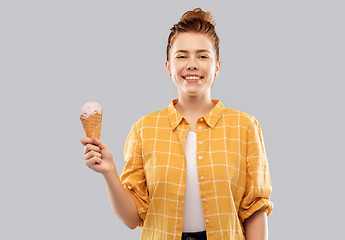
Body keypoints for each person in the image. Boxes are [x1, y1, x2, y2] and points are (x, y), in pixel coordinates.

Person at [80, 7, 273, 240]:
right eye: (182, 56)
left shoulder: (245, 126)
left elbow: (254, 210)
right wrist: (109, 171)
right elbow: (132, 218)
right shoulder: (144, 129)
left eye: (203, 56)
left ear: (217, 66)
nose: (192, 64)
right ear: (168, 66)